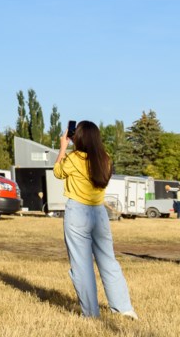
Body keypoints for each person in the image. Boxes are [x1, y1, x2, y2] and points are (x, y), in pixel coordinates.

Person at [54, 120, 136, 320]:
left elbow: (57, 172)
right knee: (108, 260)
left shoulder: (73, 158)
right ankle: (124, 308)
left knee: (82, 265)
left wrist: (63, 147)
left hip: (78, 213)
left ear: (77, 137)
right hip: (99, 214)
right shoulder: (105, 159)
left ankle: (91, 314)